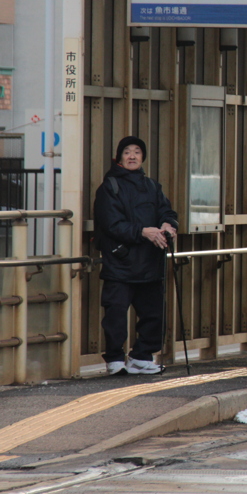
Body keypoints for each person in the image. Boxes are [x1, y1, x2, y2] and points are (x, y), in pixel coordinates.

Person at [94, 136, 178, 376]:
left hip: (150, 261)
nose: (132, 156)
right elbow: (111, 224)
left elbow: (167, 211)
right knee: (116, 314)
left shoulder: (152, 186)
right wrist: (143, 231)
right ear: (119, 157)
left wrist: (168, 225)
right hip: (120, 262)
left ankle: (142, 357)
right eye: (127, 152)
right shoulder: (109, 187)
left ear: (143, 157)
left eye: (137, 152)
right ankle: (115, 360)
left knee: (154, 313)